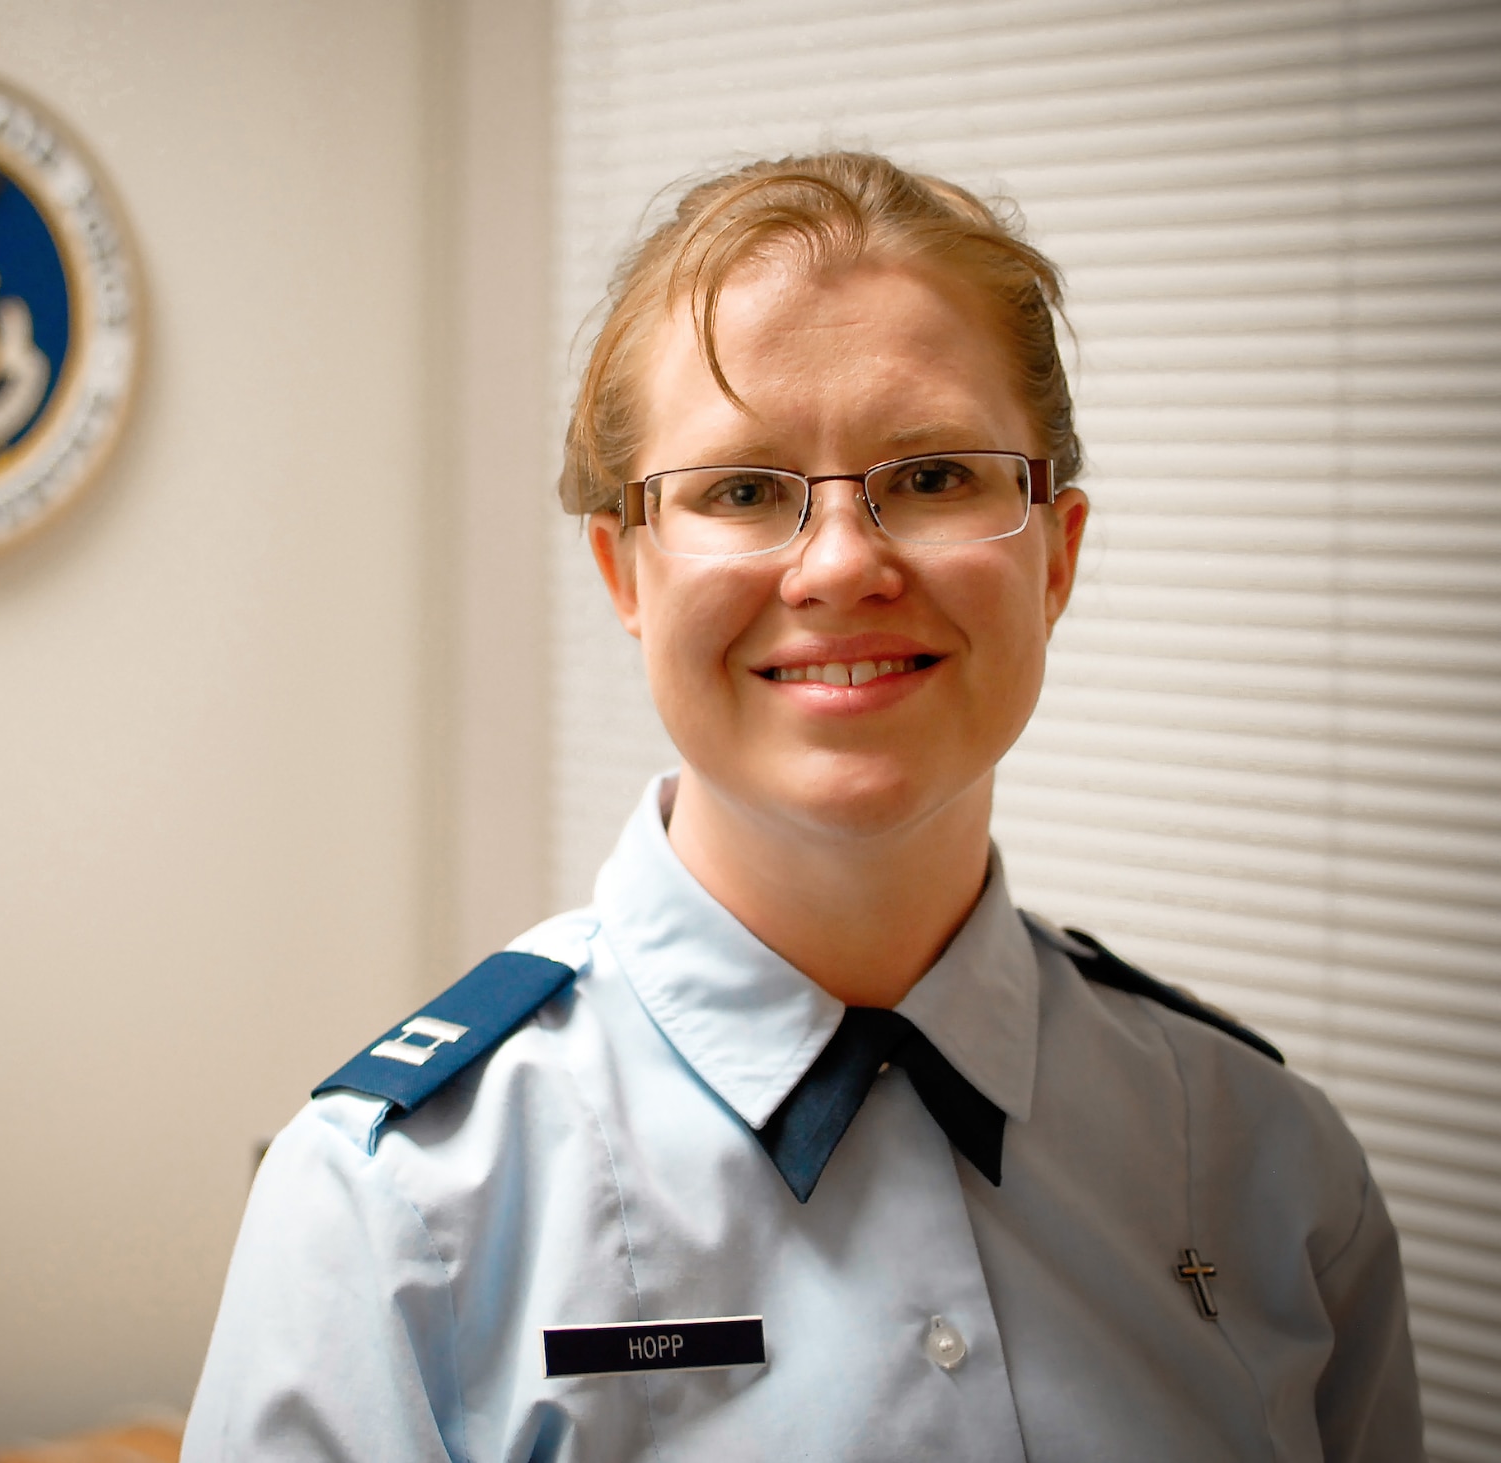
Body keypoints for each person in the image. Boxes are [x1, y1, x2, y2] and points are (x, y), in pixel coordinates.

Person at [181, 151, 1423, 1461]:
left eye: (936, 475)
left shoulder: (1270, 1170)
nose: (840, 565)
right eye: (744, 491)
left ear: (1055, 555)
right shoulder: (397, 1212)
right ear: (627, 573)